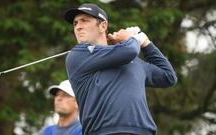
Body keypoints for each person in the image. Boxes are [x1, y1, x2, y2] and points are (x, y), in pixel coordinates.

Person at [64, 3, 177, 135]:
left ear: (103, 26)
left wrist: (146, 43)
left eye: (84, 21)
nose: (78, 27)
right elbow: (130, 49)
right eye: (75, 23)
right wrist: (132, 38)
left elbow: (168, 76)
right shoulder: (77, 55)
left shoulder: (132, 59)